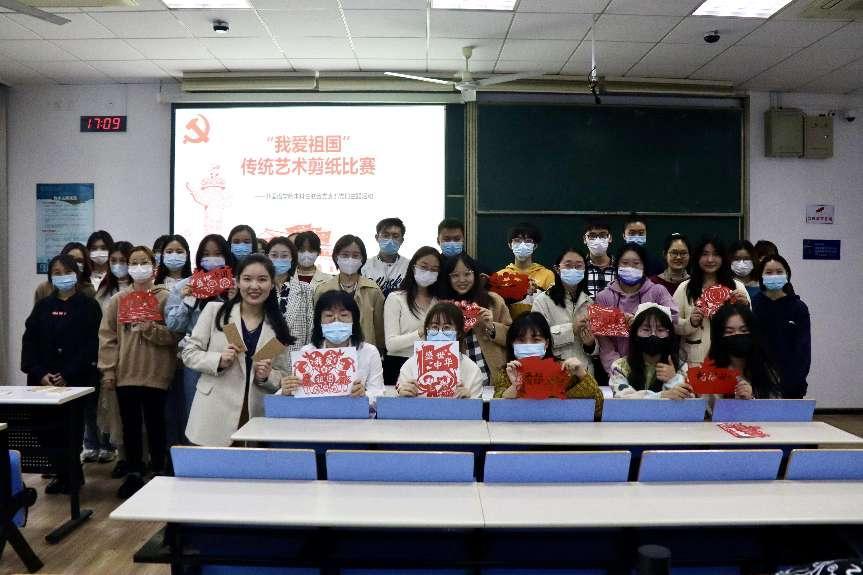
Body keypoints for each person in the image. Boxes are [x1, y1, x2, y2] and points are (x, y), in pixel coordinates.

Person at [184, 254, 296, 447]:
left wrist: (267, 377)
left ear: (272, 284)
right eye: (247, 279)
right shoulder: (216, 312)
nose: (254, 286)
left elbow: (283, 376)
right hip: (213, 413)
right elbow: (189, 353)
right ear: (236, 282)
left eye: (262, 280)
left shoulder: (278, 327)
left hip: (255, 415)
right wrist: (217, 360)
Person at [98, 246, 180, 498]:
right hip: (126, 374)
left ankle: (158, 469)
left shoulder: (166, 298)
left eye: (144, 262)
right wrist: (108, 371)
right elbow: (107, 338)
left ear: (154, 266)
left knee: (156, 424)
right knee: (130, 426)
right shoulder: (118, 300)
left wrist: (150, 328)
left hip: (157, 373)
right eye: (133, 263)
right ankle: (134, 470)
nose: (138, 267)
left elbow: (175, 335)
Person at [21, 254, 103, 494]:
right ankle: (60, 473)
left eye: (66, 272)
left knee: (71, 430)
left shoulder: (89, 306)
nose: (62, 277)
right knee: (45, 429)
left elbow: (92, 344)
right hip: (42, 381)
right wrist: (40, 373)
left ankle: (72, 476)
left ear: (76, 274)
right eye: (56, 273)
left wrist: (67, 373)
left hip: (75, 381)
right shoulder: (43, 306)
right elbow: (29, 342)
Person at [165, 234, 236, 442]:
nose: (212, 258)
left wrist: (233, 300)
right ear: (198, 257)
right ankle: (195, 451)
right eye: (206, 254)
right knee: (194, 410)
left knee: (228, 410)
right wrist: (189, 299)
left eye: (218, 253)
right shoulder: (185, 285)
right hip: (196, 358)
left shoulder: (236, 284)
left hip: (229, 356)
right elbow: (173, 325)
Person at [281, 290, 385, 406]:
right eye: (329, 315)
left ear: (354, 321)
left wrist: (364, 394)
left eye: (344, 315)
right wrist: (287, 390)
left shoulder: (369, 352)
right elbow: (297, 397)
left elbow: (379, 393)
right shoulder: (307, 353)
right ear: (319, 321)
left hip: (356, 413)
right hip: (316, 413)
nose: (336, 321)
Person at [492, 312, 603, 418]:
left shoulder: (565, 370)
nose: (528, 345)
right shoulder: (507, 373)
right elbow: (496, 412)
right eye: (521, 340)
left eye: (536, 340)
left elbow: (598, 409)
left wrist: (582, 374)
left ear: (546, 344)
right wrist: (515, 387)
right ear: (512, 344)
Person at [595, 243, 678, 375]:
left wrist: (640, 316)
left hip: (654, 367)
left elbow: (673, 316)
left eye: (636, 263)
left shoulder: (657, 291)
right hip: (617, 370)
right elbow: (604, 343)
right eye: (625, 263)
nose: (630, 268)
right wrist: (618, 369)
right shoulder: (603, 297)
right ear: (617, 266)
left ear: (644, 267)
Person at [673, 236, 751, 365]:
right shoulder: (684, 288)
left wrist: (745, 307)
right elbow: (672, 323)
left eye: (716, 254)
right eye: (705, 254)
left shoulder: (737, 287)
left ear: (723, 258)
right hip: (693, 361)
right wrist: (690, 322)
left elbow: (750, 325)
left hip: (730, 360)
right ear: (697, 257)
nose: (710, 259)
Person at [442, 252, 512, 384]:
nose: (462, 280)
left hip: (494, 377)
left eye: (467, 274)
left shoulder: (494, 301)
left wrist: (492, 327)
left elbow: (513, 337)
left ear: (475, 275)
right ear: (448, 278)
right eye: (455, 275)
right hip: (459, 381)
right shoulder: (442, 308)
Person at [94, 240, 133, 474]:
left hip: (135, 359)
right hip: (111, 359)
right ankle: (123, 456)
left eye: (123, 261)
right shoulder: (103, 291)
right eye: (114, 261)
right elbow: (104, 331)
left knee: (136, 414)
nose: (118, 265)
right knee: (115, 413)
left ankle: (141, 458)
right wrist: (107, 366)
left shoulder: (144, 289)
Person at [395, 302, 484, 399]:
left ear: (458, 332)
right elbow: (398, 404)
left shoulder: (472, 370)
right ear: (427, 330)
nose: (440, 333)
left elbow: (477, 406)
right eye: (434, 327)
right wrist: (403, 396)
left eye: (447, 328)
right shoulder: (409, 366)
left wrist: (469, 401)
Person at [752, 255, 810, 399]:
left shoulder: (798, 307)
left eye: (779, 272)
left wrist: (796, 379)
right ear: (761, 276)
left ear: (787, 274)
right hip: (758, 379)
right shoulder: (753, 304)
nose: (774, 276)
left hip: (790, 380)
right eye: (769, 272)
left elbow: (803, 349)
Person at [383, 246, 442, 386]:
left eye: (434, 269)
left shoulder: (439, 302)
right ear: (413, 267)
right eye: (424, 267)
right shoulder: (396, 298)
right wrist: (420, 332)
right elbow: (391, 345)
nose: (428, 272)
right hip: (399, 365)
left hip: (431, 364)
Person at [314, 235, 385, 350]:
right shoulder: (323, 290)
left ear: (362, 259)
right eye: (345, 255)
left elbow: (380, 329)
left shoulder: (373, 290)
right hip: (329, 351)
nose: (350, 259)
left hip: (364, 352)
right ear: (336, 257)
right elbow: (317, 324)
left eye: (355, 255)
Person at [531, 247, 596, 372]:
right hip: (554, 370)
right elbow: (536, 340)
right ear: (557, 269)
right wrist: (571, 329)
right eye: (568, 265)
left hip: (584, 372)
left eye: (579, 266)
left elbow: (597, 348)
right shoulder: (543, 301)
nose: (574, 270)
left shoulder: (589, 302)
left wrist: (591, 344)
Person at [609, 303, 692, 399]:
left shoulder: (681, 367)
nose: (653, 335)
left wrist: (674, 379)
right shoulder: (619, 367)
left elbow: (690, 399)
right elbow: (623, 398)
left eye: (660, 330)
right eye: (646, 329)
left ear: (670, 335)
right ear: (635, 334)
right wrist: (662, 396)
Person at [706, 302, 781, 399]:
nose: (737, 335)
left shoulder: (766, 370)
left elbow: (775, 404)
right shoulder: (710, 373)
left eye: (744, 330)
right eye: (729, 331)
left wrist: (752, 398)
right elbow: (707, 406)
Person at [265, 236, 313, 351]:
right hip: (265, 355)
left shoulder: (305, 289)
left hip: (296, 354)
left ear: (292, 258)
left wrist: (306, 353)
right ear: (267, 257)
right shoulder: (260, 288)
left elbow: (310, 326)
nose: (279, 259)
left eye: (284, 256)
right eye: (274, 255)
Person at [496, 221, 555, 297]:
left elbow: (552, 302)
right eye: (517, 240)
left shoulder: (547, 275)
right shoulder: (499, 276)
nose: (522, 245)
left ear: (535, 246)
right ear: (510, 245)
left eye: (528, 241)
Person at [362, 217, 410, 298]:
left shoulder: (409, 266)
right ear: (377, 238)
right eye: (386, 235)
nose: (390, 240)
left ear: (402, 240)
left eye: (395, 236)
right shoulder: (365, 266)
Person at [583, 220, 616, 299]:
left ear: (610, 238)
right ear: (585, 239)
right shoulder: (579, 268)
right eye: (592, 235)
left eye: (602, 235)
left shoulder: (620, 267)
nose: (597, 240)